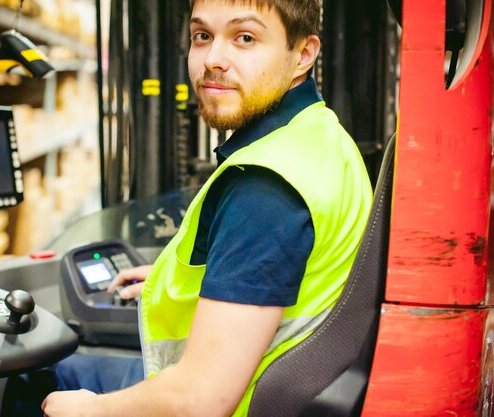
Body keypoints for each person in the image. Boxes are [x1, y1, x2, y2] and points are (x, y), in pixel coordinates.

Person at [42, 0, 372, 415]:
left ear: (303, 54)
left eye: (245, 38)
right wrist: (201, 278)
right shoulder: (321, 133)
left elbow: (198, 400)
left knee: (49, 373)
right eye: (203, 36)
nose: (213, 59)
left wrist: (89, 410)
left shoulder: (264, 191)